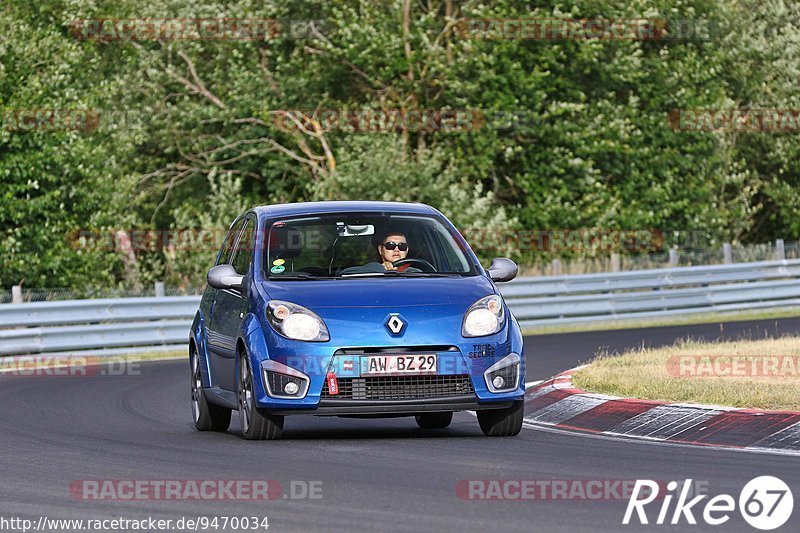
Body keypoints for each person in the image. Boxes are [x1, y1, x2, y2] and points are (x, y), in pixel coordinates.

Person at [339, 230, 422, 274]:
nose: (396, 249)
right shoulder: (368, 271)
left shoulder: (416, 273)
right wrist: (380, 269)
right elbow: (345, 274)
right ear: (380, 249)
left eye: (402, 246)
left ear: (407, 250)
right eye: (390, 245)